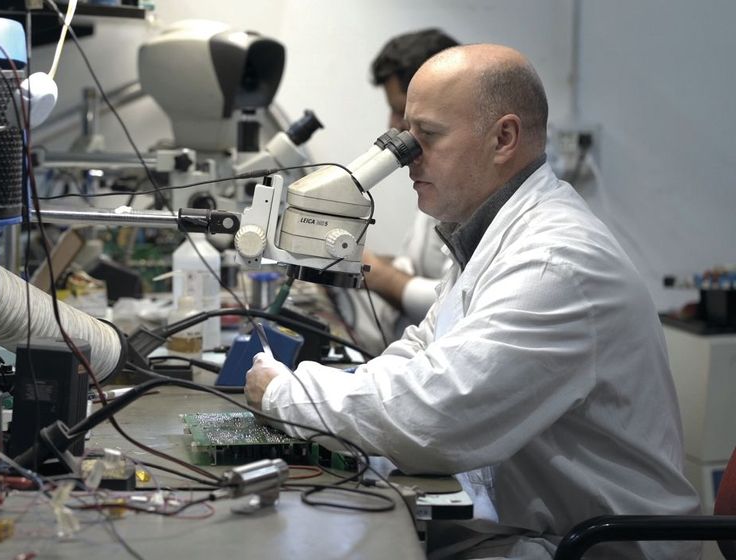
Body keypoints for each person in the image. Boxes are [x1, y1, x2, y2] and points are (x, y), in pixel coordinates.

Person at [247, 44, 699, 559]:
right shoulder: (493, 238)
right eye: (405, 137)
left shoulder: (555, 263)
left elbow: (434, 418)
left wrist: (287, 395)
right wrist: (327, 390)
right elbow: (419, 353)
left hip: (595, 549)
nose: (407, 158)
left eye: (428, 137)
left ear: (503, 138)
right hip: (535, 527)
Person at [354, 30, 458, 350]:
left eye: (403, 112)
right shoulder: (434, 181)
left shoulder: (468, 191)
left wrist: (370, 271)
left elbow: (458, 302)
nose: (394, 125)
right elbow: (417, 265)